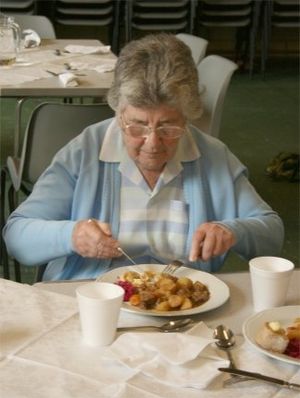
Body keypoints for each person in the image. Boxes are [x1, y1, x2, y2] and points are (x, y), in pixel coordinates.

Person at [3, 33, 284, 281]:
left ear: (188, 116)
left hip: (183, 307)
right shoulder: (85, 150)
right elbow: (17, 236)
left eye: (168, 126)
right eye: (137, 125)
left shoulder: (211, 156)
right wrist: (71, 236)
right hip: (92, 300)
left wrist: (232, 230)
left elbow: (272, 233)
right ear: (118, 111)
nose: (152, 142)